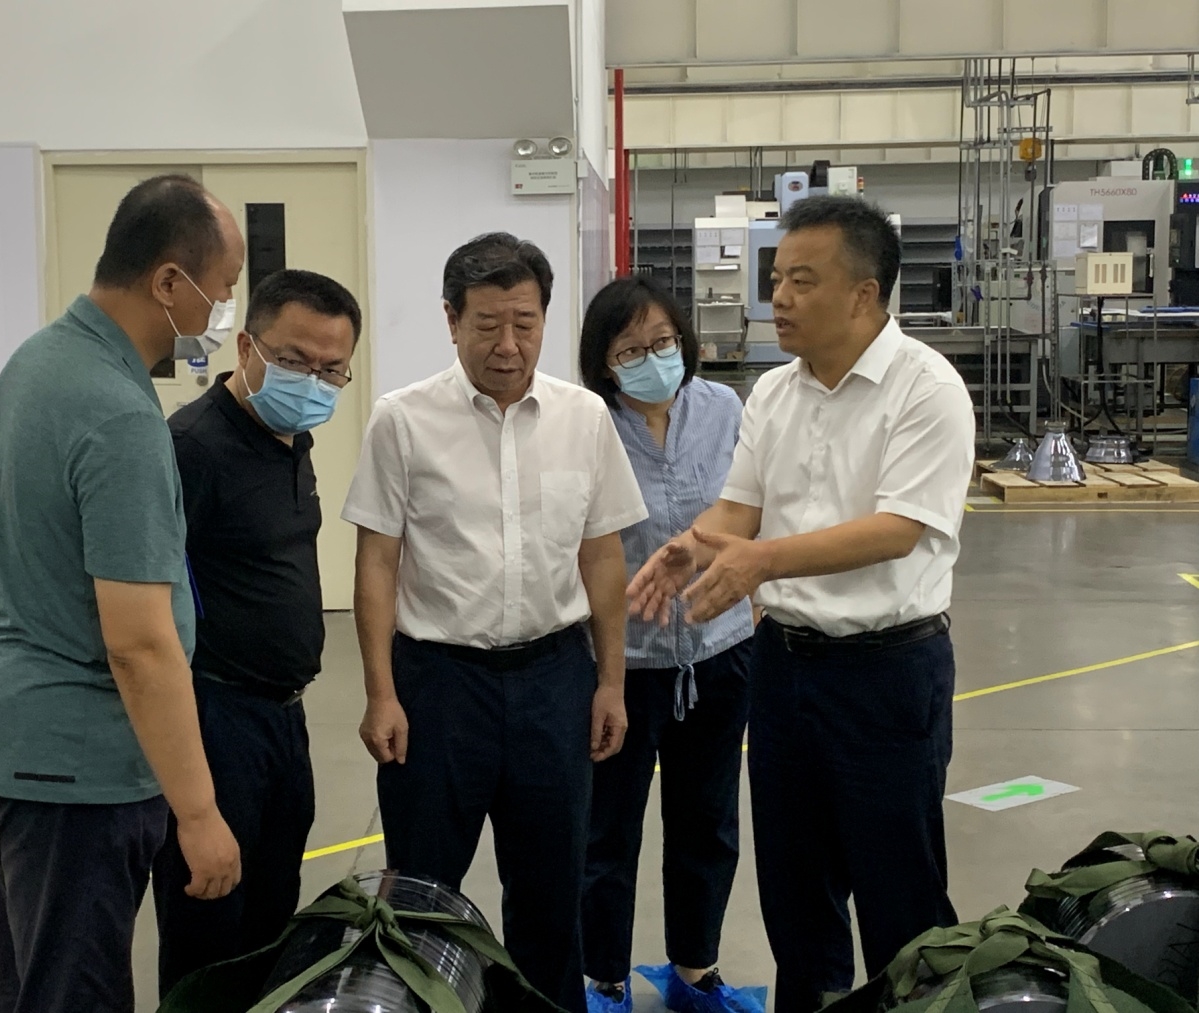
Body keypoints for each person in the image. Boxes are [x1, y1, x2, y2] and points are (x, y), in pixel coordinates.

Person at [628, 196, 975, 1013]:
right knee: (794, 887)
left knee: (898, 889)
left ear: (863, 293)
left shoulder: (925, 389)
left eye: (801, 281)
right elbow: (740, 509)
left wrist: (759, 561)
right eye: (776, 277)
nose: (778, 297)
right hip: (785, 667)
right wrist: (694, 543)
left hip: (887, 670)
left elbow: (896, 528)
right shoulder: (774, 393)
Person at [0, 174, 246, 1013]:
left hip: (2, 735)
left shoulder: (42, 360)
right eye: (221, 291)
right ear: (169, 282)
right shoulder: (116, 412)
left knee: (38, 983)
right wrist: (198, 814)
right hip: (68, 765)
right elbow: (138, 643)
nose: (223, 315)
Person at [341, 232, 649, 1013]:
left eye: (524, 322)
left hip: (554, 677)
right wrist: (380, 692)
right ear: (451, 320)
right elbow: (376, 562)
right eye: (486, 324)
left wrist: (610, 681)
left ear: (545, 319)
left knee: (551, 892)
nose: (507, 345)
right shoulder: (402, 420)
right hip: (438, 684)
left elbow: (602, 556)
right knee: (422, 893)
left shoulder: (584, 417)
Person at [152, 269, 362, 996]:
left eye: (332, 369)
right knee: (209, 922)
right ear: (246, 347)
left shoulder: (290, 438)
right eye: (296, 360)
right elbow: (147, 609)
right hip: (215, 715)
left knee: (271, 914)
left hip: (282, 715)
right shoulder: (192, 448)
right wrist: (192, 801)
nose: (314, 381)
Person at [575, 278, 755, 1013]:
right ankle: (603, 978)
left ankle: (694, 968)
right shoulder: (589, 426)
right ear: (603, 361)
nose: (653, 360)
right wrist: (607, 674)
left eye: (663, 342)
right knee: (607, 832)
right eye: (630, 351)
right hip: (623, 664)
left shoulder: (723, 409)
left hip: (719, 652)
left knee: (706, 823)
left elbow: (751, 509)